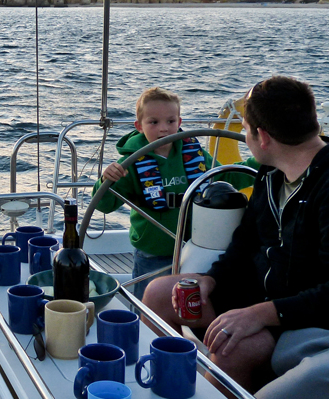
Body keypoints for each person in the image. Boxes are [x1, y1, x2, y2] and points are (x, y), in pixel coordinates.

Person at [142, 76, 329, 397]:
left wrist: (262, 314)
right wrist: (211, 280)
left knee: (232, 346)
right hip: (256, 294)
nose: (245, 136)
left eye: (245, 128)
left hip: (303, 314)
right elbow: (244, 243)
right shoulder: (270, 174)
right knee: (159, 293)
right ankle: (168, 384)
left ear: (263, 137)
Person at [92, 87, 256, 299]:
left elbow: (224, 176)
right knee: (148, 304)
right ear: (139, 126)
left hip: (194, 249)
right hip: (153, 253)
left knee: (190, 303)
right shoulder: (130, 164)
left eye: (170, 122)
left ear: (180, 123)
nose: (164, 129)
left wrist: (258, 164)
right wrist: (107, 180)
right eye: (154, 122)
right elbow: (104, 204)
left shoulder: (194, 154)